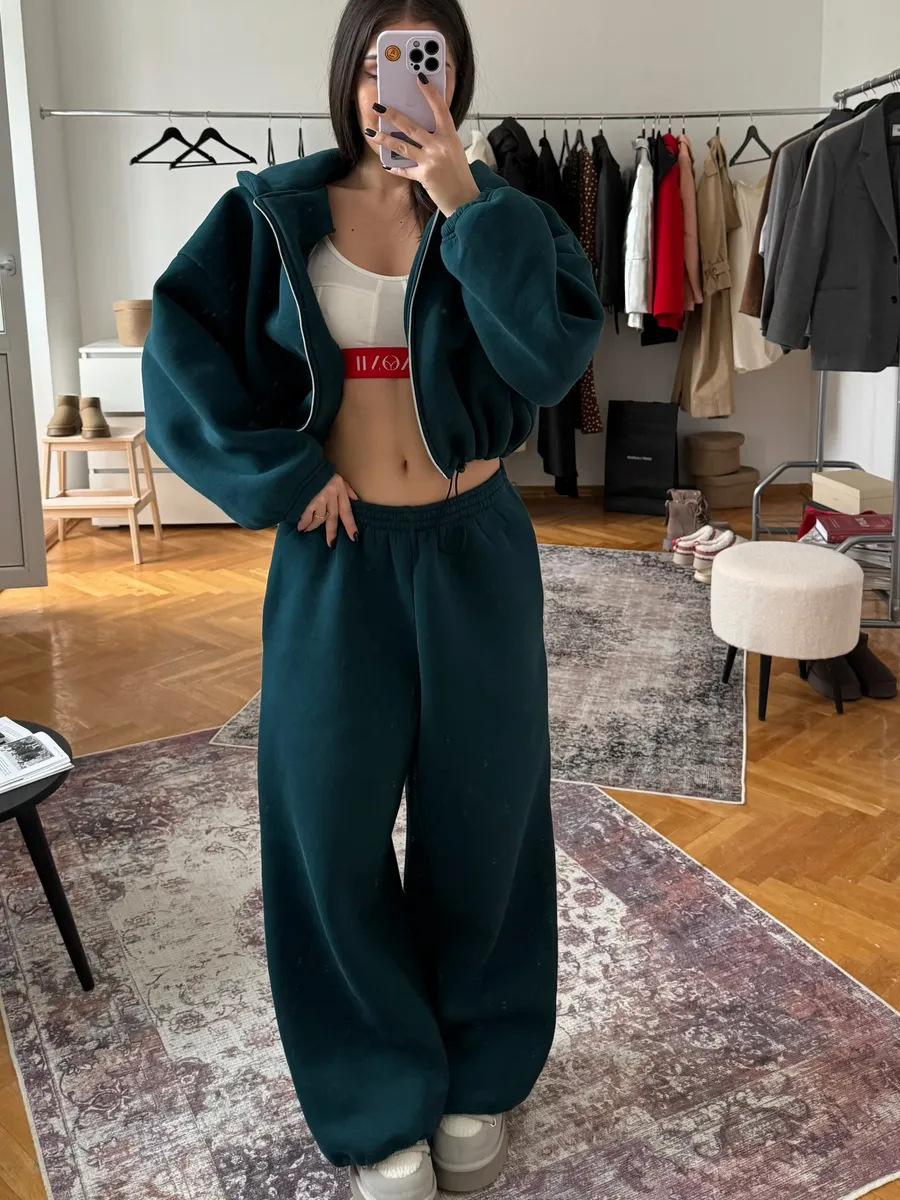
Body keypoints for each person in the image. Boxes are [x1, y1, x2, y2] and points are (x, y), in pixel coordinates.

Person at [141, 1, 603, 1196]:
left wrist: (464, 200)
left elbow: (550, 358)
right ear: (351, 72)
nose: (397, 84)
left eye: (425, 60)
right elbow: (178, 364)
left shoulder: (507, 213)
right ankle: (376, 1095)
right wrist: (282, 475)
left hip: (474, 552)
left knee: (485, 817)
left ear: (454, 78)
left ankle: (479, 1071)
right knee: (327, 824)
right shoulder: (270, 212)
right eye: (380, 60)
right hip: (336, 561)